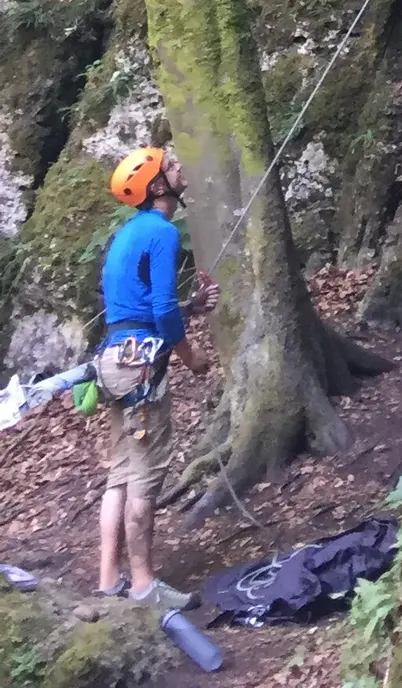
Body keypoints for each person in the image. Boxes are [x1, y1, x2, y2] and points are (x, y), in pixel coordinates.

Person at [96, 146, 210, 608]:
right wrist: (191, 355)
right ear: (158, 186)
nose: (181, 168)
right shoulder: (162, 231)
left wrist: (191, 307)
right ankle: (143, 586)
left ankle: (108, 579)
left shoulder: (128, 233)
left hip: (113, 361)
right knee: (145, 475)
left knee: (121, 473)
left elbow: (136, 308)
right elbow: (160, 310)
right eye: (172, 166)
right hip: (139, 368)